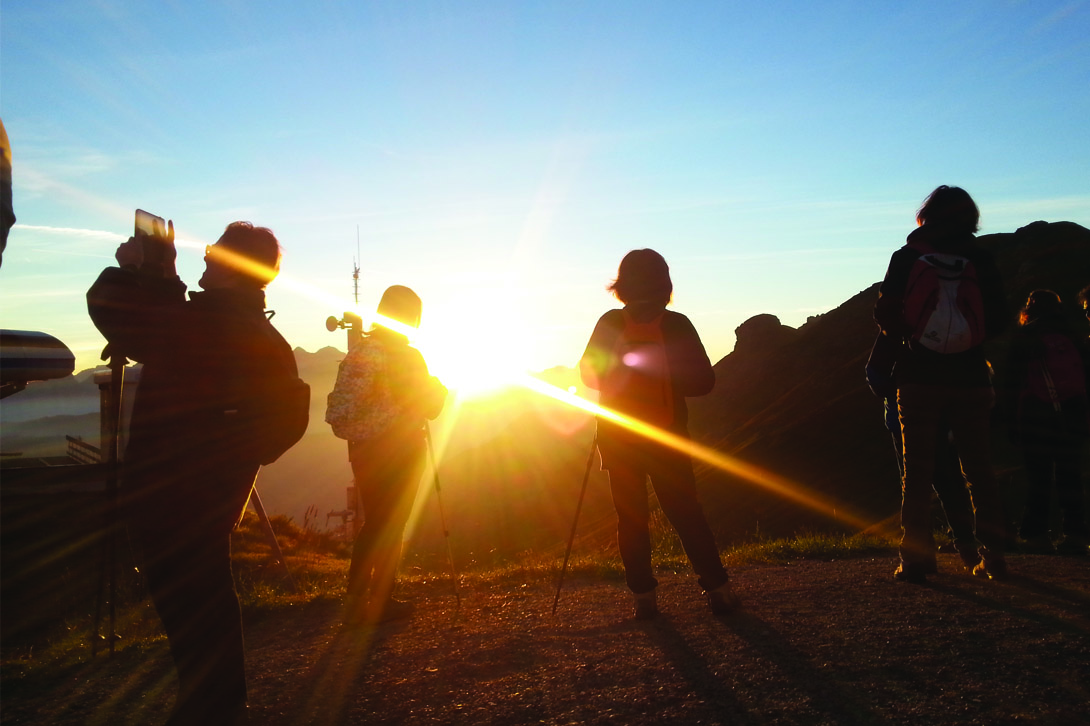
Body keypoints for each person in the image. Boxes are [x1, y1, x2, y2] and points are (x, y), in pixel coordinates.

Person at [87, 221, 305, 725]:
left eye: (212, 251)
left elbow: (120, 316)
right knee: (205, 593)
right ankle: (218, 702)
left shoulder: (210, 324)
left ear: (232, 266)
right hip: (210, 493)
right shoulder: (256, 331)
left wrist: (131, 270)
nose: (202, 258)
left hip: (174, 495)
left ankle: (211, 707)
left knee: (190, 600)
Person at [579, 249, 738, 618]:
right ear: (664, 282)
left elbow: (588, 376)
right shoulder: (676, 324)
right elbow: (704, 382)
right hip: (667, 434)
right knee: (685, 513)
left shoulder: (610, 323)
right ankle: (718, 590)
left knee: (630, 518)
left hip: (618, 435)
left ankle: (644, 600)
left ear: (622, 284)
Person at [874, 186, 1011, 583]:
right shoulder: (980, 257)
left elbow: (884, 311)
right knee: (979, 468)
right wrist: (969, 340)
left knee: (916, 471)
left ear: (927, 215)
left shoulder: (908, 256)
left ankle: (917, 558)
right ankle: (994, 557)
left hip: (918, 377)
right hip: (970, 377)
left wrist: (917, 338)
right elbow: (999, 317)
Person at [343, 285, 447, 625]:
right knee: (392, 523)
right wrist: (438, 389)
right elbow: (428, 407)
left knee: (374, 522)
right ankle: (381, 601)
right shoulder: (406, 357)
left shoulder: (361, 351)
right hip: (400, 448)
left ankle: (356, 601)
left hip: (362, 448)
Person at [865, 332, 978, 567]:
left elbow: (875, 372)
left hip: (904, 420)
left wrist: (897, 395)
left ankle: (920, 555)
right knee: (951, 483)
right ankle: (969, 549)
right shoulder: (951, 326)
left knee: (914, 483)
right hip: (946, 416)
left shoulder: (896, 327)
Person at [1001, 290, 1089, 555]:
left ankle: (1035, 535)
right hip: (1072, 414)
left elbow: (1012, 383)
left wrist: (1011, 422)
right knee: (1070, 475)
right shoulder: (1074, 336)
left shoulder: (1024, 337)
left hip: (1034, 415)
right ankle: (1075, 535)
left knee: (1038, 477)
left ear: (1029, 310)